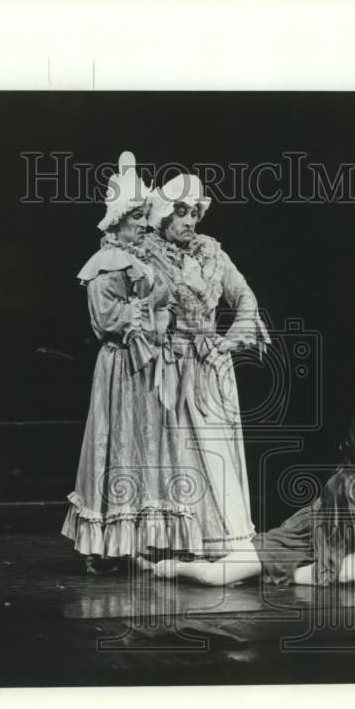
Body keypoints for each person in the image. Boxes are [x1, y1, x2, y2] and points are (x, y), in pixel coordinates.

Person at [61, 152, 205, 566]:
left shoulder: (139, 259)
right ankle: (107, 546)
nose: (145, 224)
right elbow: (107, 320)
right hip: (123, 365)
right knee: (119, 444)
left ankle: (136, 542)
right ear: (118, 221)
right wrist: (149, 312)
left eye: (145, 216)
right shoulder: (108, 263)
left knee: (146, 445)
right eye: (138, 217)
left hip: (147, 364)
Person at [153, 410, 355, 590]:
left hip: (348, 540)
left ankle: (269, 575)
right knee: (215, 577)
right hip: (307, 535)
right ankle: (172, 567)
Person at [139, 173, 271, 559]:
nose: (190, 220)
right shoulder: (145, 255)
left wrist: (228, 342)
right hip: (169, 365)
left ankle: (218, 539)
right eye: (181, 212)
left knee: (215, 455)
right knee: (172, 453)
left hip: (210, 367)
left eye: (195, 213)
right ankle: (171, 542)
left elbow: (245, 297)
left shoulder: (212, 253)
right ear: (163, 215)